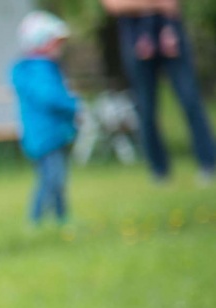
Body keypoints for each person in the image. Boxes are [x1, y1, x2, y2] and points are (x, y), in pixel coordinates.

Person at [101, 0, 215, 183]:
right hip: (135, 36)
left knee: (190, 99)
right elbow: (114, 5)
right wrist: (156, 4)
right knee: (145, 107)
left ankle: (209, 163)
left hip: (169, 32)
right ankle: (158, 170)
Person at [11, 11, 80, 225]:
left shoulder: (39, 69)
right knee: (52, 179)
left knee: (55, 179)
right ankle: (36, 218)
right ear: (40, 42)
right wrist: (73, 105)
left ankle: (61, 217)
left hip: (46, 133)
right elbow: (50, 97)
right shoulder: (40, 70)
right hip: (45, 134)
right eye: (55, 43)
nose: (59, 48)